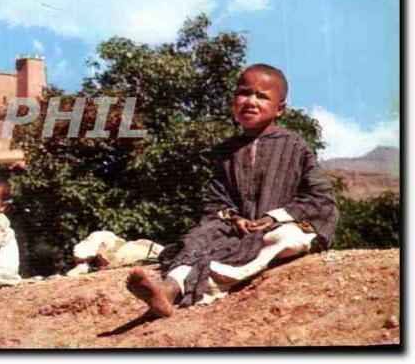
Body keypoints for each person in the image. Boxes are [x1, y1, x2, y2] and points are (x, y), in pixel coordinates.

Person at [127, 63, 339, 317]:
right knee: (200, 237)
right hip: (235, 232)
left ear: (279, 109)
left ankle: (208, 283)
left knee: (284, 238)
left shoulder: (294, 146)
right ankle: (168, 290)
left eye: (262, 96)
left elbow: (320, 197)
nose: (250, 101)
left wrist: (274, 217)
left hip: (278, 227)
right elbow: (214, 201)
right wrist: (234, 218)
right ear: (233, 101)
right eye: (244, 93)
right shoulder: (225, 152)